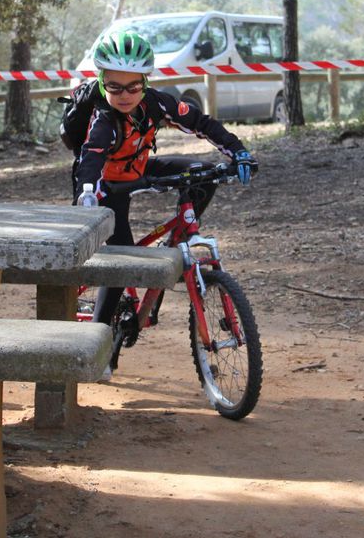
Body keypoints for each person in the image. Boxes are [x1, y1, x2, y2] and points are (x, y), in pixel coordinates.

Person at [73, 30, 257, 381]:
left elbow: (201, 123)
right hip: (102, 185)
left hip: (138, 169)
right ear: (101, 83)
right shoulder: (103, 119)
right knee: (122, 260)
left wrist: (239, 151)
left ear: (145, 82)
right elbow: (91, 157)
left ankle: (176, 237)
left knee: (203, 173)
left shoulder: (157, 104)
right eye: (114, 87)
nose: (124, 95)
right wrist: (86, 193)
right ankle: (97, 349)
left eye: (132, 87)